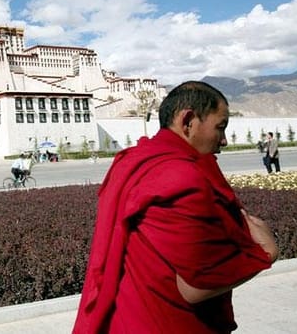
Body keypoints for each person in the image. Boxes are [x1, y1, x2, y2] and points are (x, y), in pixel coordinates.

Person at [73, 81, 278, 334]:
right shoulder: (181, 178)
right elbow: (198, 284)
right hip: (171, 323)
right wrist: (266, 252)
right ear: (188, 121)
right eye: (220, 127)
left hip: (129, 316)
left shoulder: (132, 160)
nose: (223, 141)